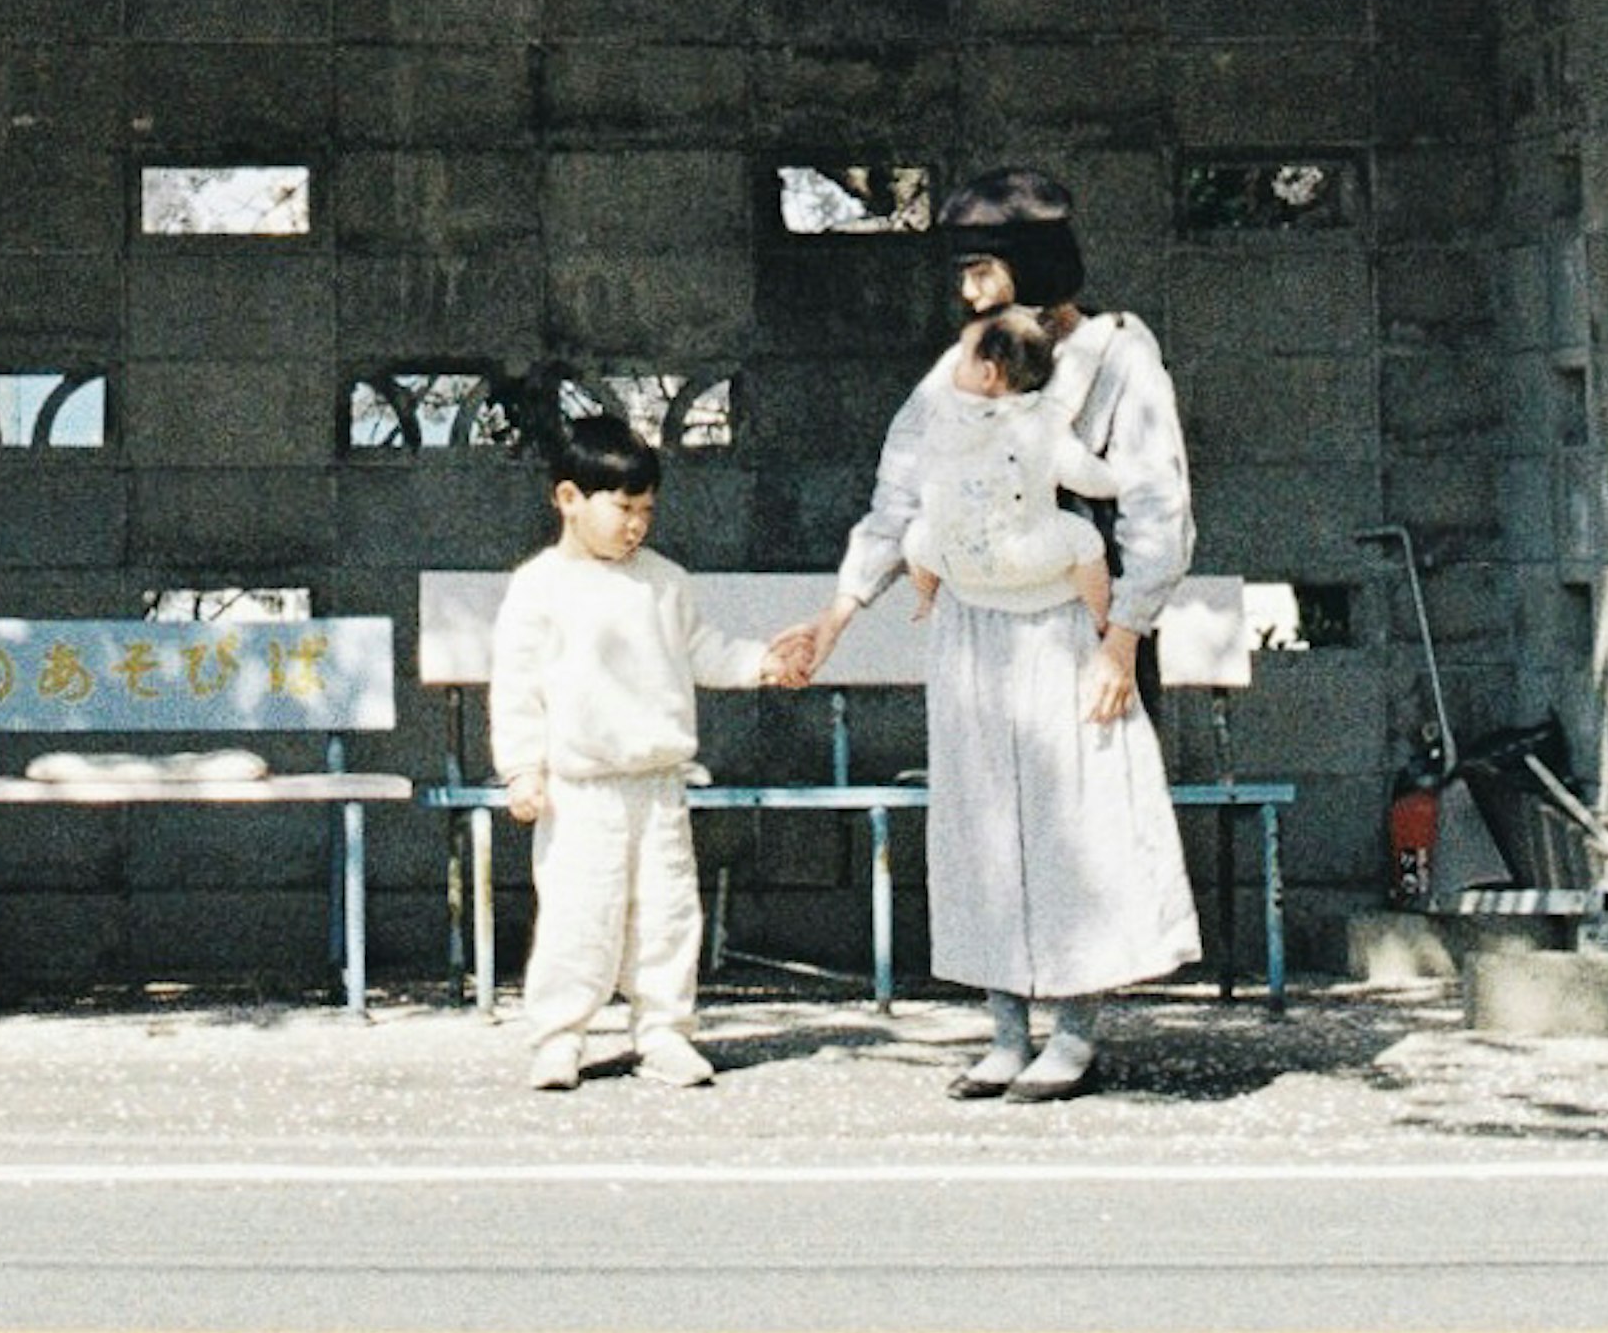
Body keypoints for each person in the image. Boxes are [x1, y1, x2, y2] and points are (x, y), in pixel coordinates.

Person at [768, 164, 1198, 1100]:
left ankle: (1074, 1032)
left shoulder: (1118, 354)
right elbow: (902, 496)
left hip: (1066, 627)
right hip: (972, 628)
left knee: (1073, 822)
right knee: (981, 823)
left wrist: (1124, 635)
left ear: (1033, 260)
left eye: (983, 266)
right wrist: (839, 613)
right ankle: (1005, 1027)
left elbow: (1156, 502)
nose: (965, 288)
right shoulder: (958, 366)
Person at [488, 417, 782, 1093]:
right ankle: (559, 1035)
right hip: (580, 785)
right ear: (568, 498)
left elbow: (703, 649)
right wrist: (522, 768)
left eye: (645, 509)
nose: (635, 524)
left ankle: (664, 1032)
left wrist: (764, 663)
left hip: (658, 782)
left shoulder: (665, 582)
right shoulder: (539, 586)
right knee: (576, 913)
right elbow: (517, 685)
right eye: (622, 507)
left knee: (668, 911)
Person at [901, 302, 1113, 633]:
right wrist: (1123, 481)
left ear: (987, 374)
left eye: (961, 357)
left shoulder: (943, 416)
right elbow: (1083, 476)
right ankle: (1101, 617)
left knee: (914, 534)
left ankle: (926, 597)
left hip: (953, 558)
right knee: (1085, 540)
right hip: (1027, 557)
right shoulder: (1044, 421)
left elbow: (917, 471)